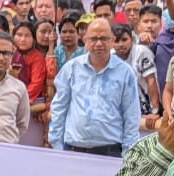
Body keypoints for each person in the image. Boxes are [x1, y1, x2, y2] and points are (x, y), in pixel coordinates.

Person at [49, 18, 140, 156]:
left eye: (104, 38)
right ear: (85, 39)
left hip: (111, 151)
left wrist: (128, 153)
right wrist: (57, 145)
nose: (99, 43)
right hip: (73, 150)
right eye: (93, 38)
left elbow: (131, 114)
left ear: (112, 40)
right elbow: (59, 108)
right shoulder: (71, 69)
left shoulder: (125, 72)